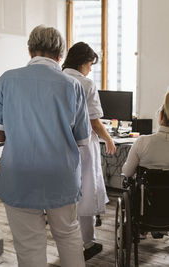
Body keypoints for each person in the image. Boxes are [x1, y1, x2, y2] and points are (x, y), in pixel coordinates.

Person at [0, 25, 90, 267]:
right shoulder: (73, 86)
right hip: (61, 177)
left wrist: (16, 132)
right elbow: (82, 140)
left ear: (30, 51)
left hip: (19, 177)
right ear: (60, 55)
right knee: (68, 236)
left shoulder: (7, 80)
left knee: (29, 244)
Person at [62, 42, 116, 260]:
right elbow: (94, 122)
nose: (91, 69)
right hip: (82, 146)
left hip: (59, 145)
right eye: (90, 64)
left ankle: (68, 245)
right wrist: (109, 140)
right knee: (86, 194)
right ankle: (88, 243)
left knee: (65, 198)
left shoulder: (58, 77)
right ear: (83, 62)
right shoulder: (86, 84)